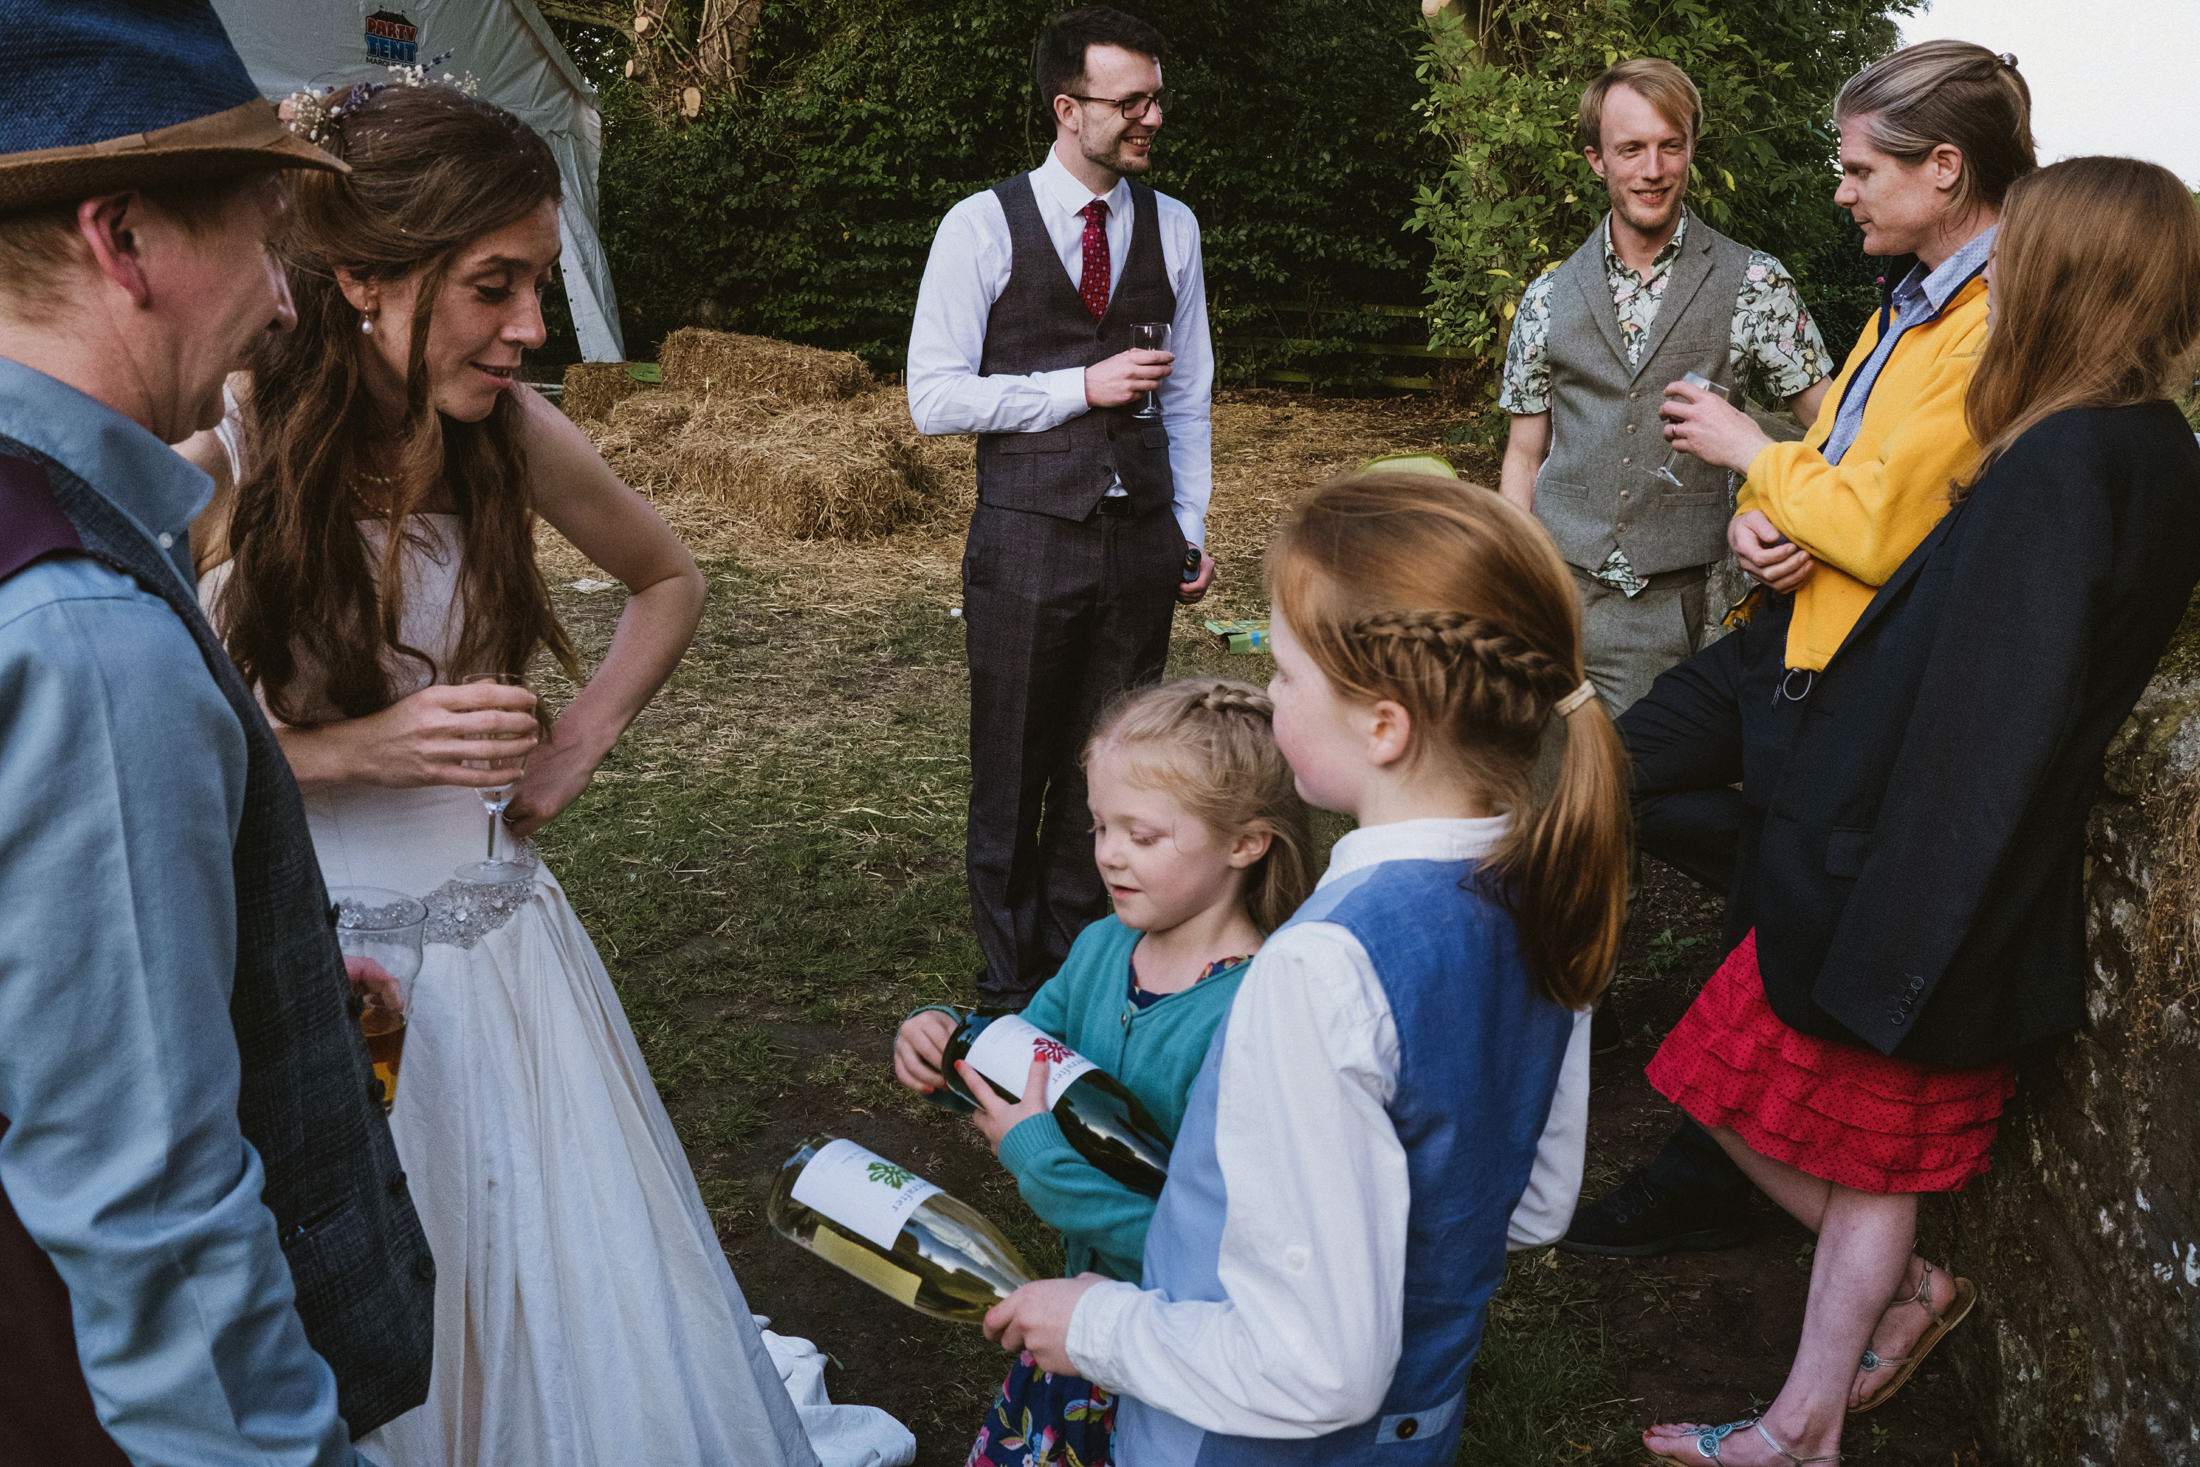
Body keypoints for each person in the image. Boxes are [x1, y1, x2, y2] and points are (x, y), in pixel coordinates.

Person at [192, 80, 899, 1467]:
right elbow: (150, 752)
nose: (531, 327)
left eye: (535, 285)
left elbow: (670, 577)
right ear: (365, 280)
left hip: (506, 966)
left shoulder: (504, 432)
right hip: (309, 975)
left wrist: (579, 741)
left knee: (546, 1289)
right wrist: (351, 750)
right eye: (493, 287)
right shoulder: (226, 441)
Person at [1638, 154, 2200, 1465]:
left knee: (1868, 1164)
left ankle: (1798, 1426)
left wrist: (1898, 907)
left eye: (2025, 257)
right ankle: (1874, 1320)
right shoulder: (2132, 440)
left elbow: (1992, 720)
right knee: (1724, 1075)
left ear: (2066, 274)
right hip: (1909, 864)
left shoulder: (2070, 458)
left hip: (1918, 879)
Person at [981, 471, 1627, 1464]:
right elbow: (1534, 1202)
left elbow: (1317, 1369)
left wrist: (1098, 1327)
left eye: (1282, 675)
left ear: (1382, 724)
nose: (1269, 698)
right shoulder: (1548, 885)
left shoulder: (1319, 968)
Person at [0, 4, 433, 1463]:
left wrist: (254, 966)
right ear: (124, 243)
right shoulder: (82, 632)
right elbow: (152, 1207)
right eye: (261, 236)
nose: (289, 303)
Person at [1566, 40, 2037, 1258]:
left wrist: (1743, 451)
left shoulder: (1995, 328)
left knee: (1752, 963)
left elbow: (1888, 527)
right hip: (1782, 629)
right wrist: (1767, 519)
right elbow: (1835, 462)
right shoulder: (1915, 297)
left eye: (1857, 168)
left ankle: (1701, 1176)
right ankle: (1780, 873)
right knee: (1600, 775)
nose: (1840, 189)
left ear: (1942, 169)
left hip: (1845, 668)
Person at [894, 678, 1317, 1467]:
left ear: (1245, 842)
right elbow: (1024, 1052)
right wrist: (950, 1041)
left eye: (1142, 835)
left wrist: (1036, 1156)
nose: (1108, 853)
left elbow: (1196, 1238)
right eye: (1098, 826)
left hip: (1170, 1341)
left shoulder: (1250, 1017)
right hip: (1080, 1316)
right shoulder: (1103, 948)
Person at [907, 4, 1215, 1012]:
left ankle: (1075, 977)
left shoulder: (1173, 226)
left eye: (1157, 99)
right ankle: (1005, 989)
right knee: (1014, 767)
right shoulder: (979, 225)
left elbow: (1188, 393)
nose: (1151, 120)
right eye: (1130, 103)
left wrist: (1191, 527)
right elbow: (934, 398)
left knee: (1114, 775)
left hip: (1140, 547)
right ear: (1065, 107)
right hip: (1027, 540)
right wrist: (1076, 390)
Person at [1497, 57, 1834, 719]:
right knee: (1535, 784)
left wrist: (1793, 517)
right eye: (1631, 149)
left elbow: (1836, 425)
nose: (1652, 170)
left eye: (1668, 146)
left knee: (1637, 801)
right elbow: (1523, 455)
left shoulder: (1754, 282)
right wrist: (1514, 579)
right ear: (1598, 160)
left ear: (1689, 151)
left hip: (1677, 611)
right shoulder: (1546, 297)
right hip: (1555, 596)